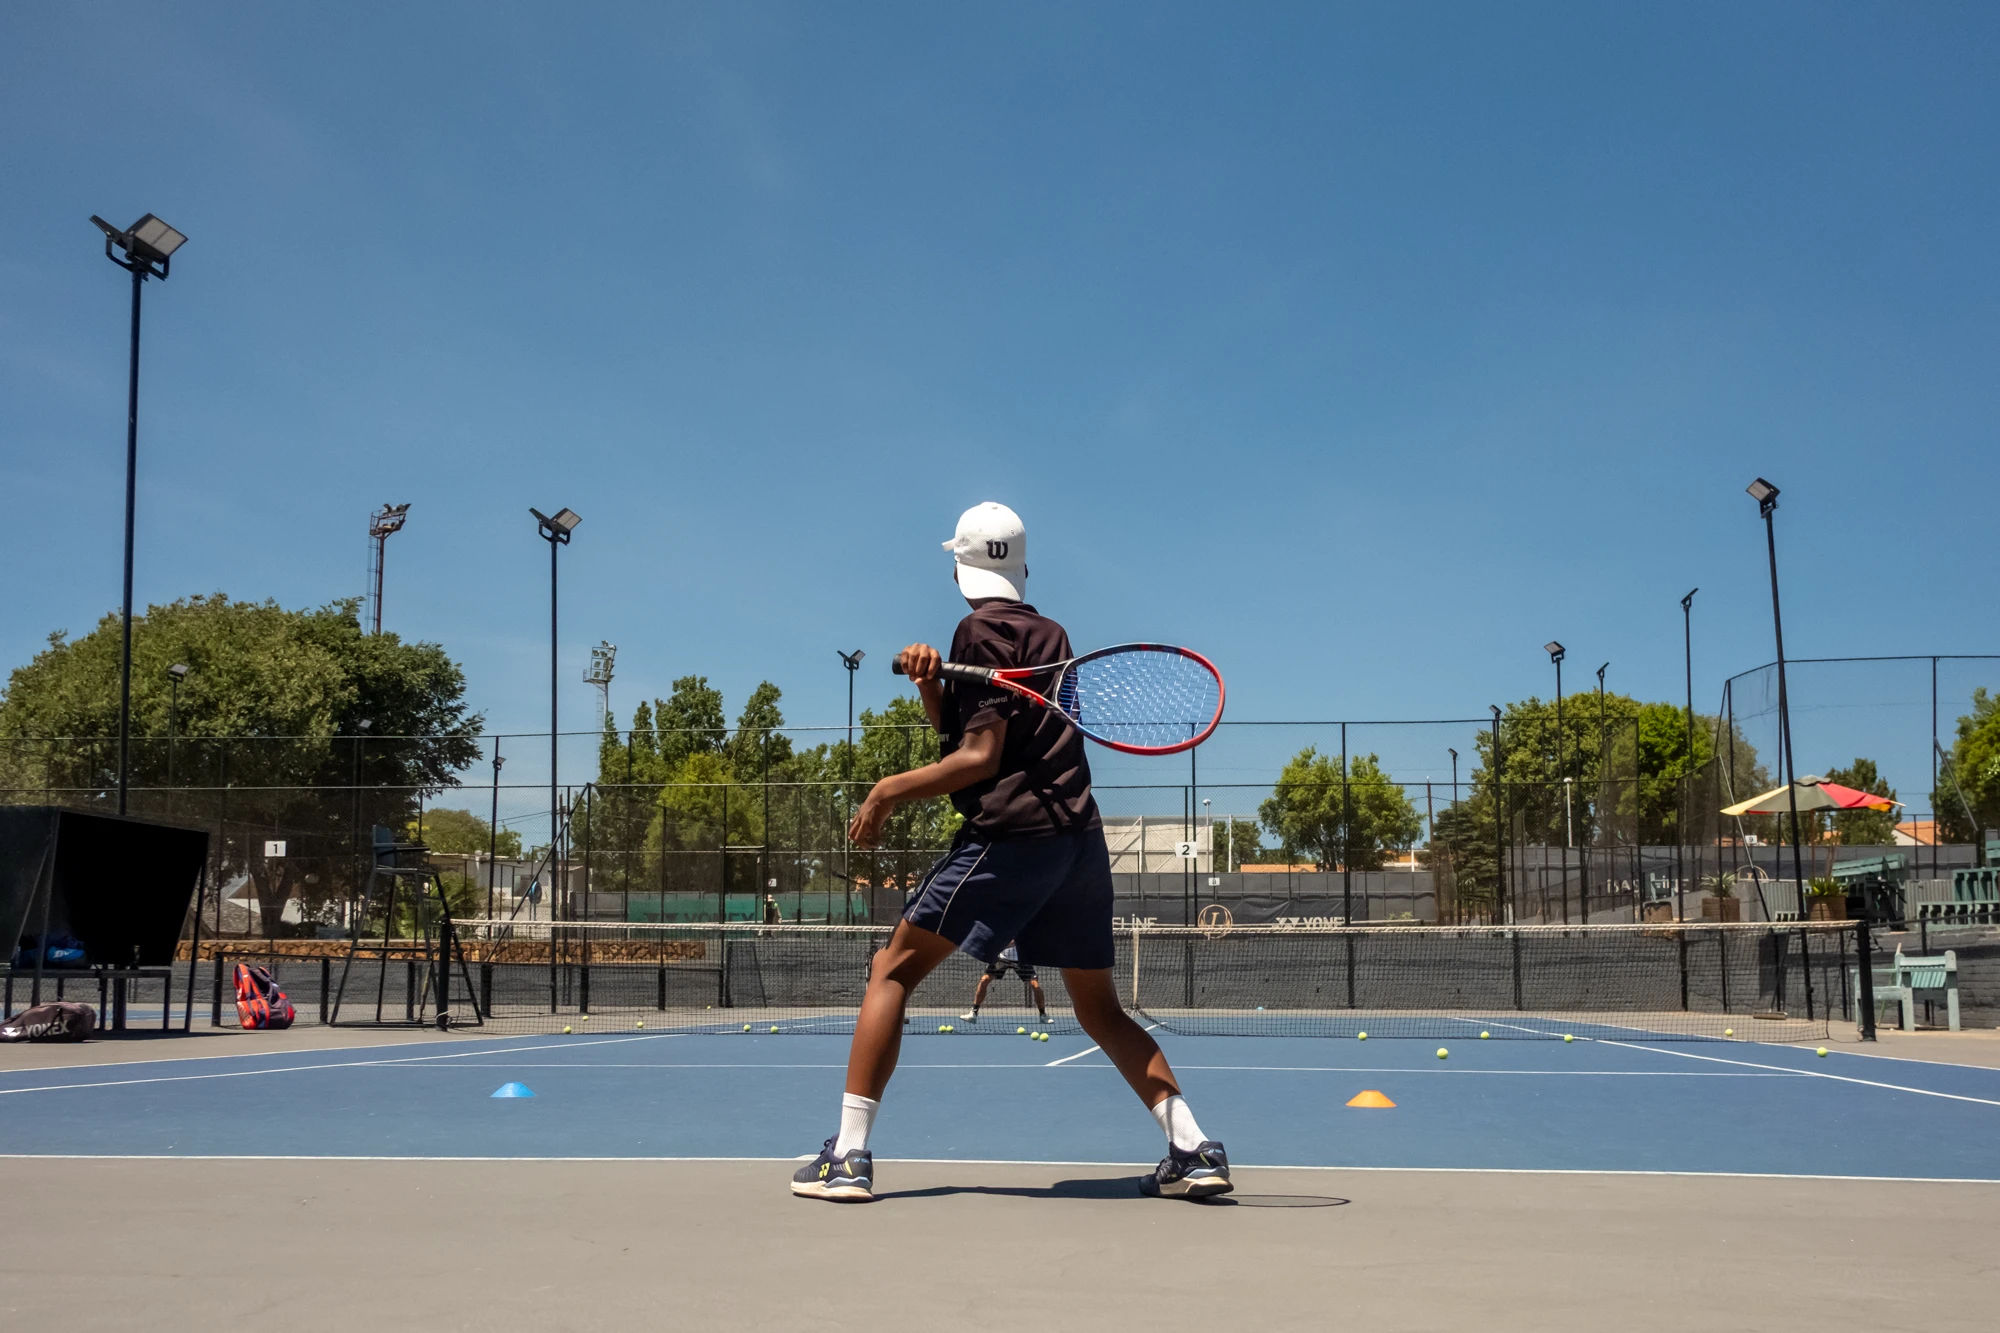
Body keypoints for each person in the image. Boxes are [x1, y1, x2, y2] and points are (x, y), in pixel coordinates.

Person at [791, 502, 1229, 1204]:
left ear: (961, 564)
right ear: (1018, 566)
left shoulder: (975, 628)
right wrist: (933, 681)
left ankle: (847, 1156)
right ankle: (1193, 1147)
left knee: (891, 970)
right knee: (1100, 1008)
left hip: (1012, 839)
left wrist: (887, 790)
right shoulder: (1049, 633)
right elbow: (975, 723)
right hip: (1077, 841)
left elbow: (981, 754)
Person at [961, 941, 1049, 1024]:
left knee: (1035, 985)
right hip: (1001, 959)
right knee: (984, 980)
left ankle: (1043, 1015)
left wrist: (999, 945)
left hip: (1020, 959)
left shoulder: (1021, 926)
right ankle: (973, 1013)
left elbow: (1015, 941)